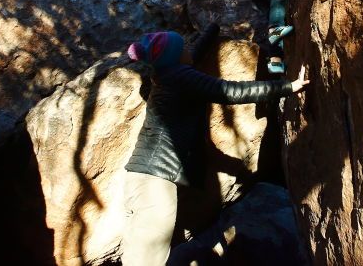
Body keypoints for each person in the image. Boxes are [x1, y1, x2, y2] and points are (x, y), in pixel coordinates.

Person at [121, 24, 309, 266]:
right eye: (183, 46)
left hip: (139, 179)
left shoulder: (166, 76)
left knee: (136, 255)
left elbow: (190, 57)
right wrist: (288, 87)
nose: (188, 47)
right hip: (155, 185)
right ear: (176, 56)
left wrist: (212, 29)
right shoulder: (181, 78)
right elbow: (230, 91)